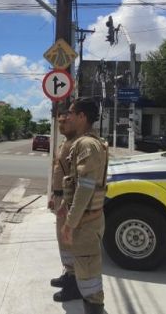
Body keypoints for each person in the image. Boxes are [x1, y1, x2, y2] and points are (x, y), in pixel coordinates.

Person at [58, 98, 108, 314]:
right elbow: (76, 180)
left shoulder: (87, 144)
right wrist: (64, 207)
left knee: (89, 273)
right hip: (83, 218)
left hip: (86, 221)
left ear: (82, 117)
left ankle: (95, 308)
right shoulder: (83, 142)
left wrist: (70, 223)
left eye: (71, 113)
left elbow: (86, 185)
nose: (67, 117)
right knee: (83, 267)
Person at [50, 104, 79, 302]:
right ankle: (68, 274)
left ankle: (74, 283)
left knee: (69, 240)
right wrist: (54, 194)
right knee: (62, 240)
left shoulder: (76, 144)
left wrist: (65, 201)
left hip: (68, 199)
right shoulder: (64, 142)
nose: (61, 125)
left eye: (65, 122)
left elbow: (76, 177)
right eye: (59, 122)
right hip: (60, 196)